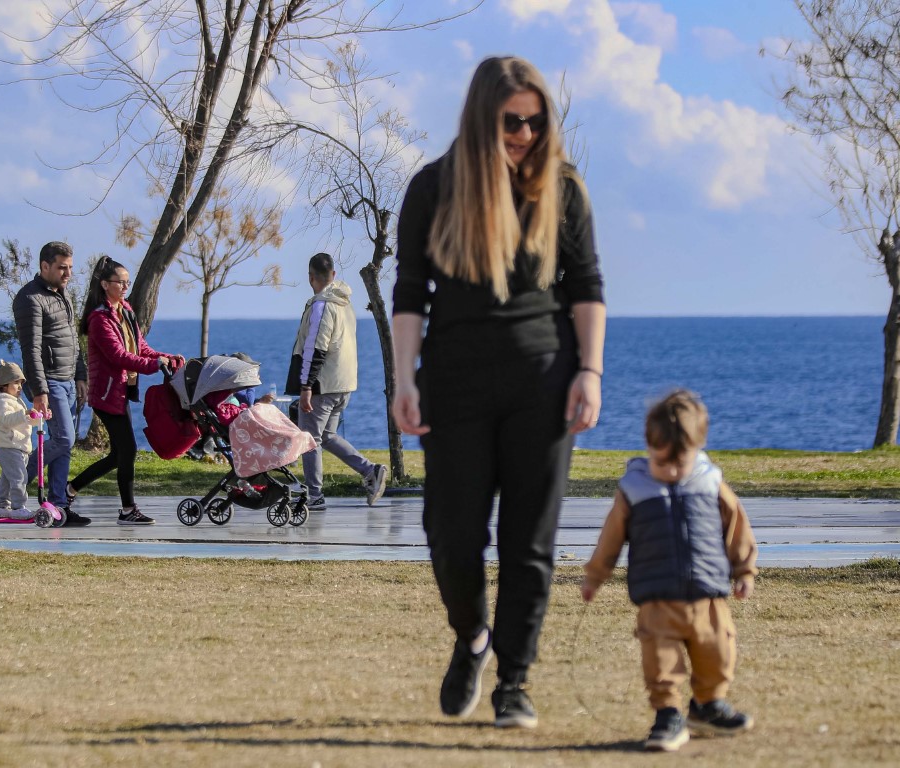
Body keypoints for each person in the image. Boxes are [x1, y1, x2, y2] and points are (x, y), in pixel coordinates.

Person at [390, 56, 606, 728]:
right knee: (451, 536)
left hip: (541, 383)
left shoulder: (560, 189)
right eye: (513, 122)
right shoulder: (433, 189)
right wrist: (404, 380)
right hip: (453, 383)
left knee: (528, 544)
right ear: (483, 118)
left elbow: (586, 286)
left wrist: (590, 372)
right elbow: (408, 294)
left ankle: (515, 680)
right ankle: (473, 637)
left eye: (538, 123)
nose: (526, 134)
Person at [581, 390, 757, 752]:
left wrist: (744, 570)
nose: (673, 472)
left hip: (708, 595)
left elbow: (737, 527)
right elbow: (611, 538)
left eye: (681, 464)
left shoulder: (710, 483)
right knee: (661, 663)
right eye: (663, 464)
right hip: (657, 598)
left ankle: (707, 706)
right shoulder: (634, 489)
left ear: (699, 448)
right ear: (649, 447)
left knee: (718, 654)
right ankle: (667, 715)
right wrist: (595, 576)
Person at [66, 256, 185, 525]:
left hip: (121, 393)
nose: (125, 287)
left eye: (127, 283)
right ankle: (127, 510)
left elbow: (141, 348)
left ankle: (71, 490)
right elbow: (118, 356)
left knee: (120, 453)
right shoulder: (100, 318)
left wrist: (166, 357)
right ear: (106, 284)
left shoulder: (126, 311)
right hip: (106, 394)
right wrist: (154, 365)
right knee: (127, 451)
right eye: (121, 282)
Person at [284, 252, 387, 511]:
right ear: (334, 275)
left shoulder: (322, 306)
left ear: (311, 278)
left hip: (323, 385)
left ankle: (314, 495)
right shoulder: (344, 304)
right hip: (344, 384)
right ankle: (370, 470)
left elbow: (315, 349)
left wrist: (306, 387)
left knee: (310, 439)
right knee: (327, 435)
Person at [13, 241, 89, 525]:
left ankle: (58, 507)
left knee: (64, 444)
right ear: (44, 266)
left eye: (70, 268)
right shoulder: (30, 298)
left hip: (68, 379)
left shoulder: (63, 295)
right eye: (61, 268)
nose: (67, 273)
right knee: (65, 439)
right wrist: (40, 391)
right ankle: (16, 479)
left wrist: (80, 375)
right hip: (49, 382)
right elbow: (30, 349)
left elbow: (73, 341)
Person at [0, 360, 42, 520]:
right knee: (20, 477)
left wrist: (39, 418)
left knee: (8, 478)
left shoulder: (14, 401)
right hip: (9, 447)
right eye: (16, 383)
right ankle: (18, 507)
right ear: (4, 385)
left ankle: (3, 507)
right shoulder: (2, 402)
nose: (20, 387)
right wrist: (24, 414)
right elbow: (7, 419)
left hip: (19, 447)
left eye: (21, 383)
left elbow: (24, 421)